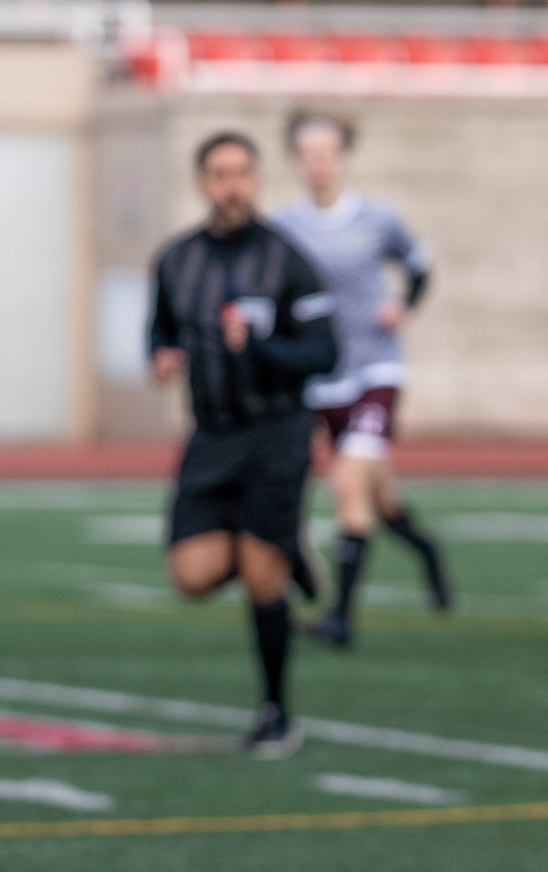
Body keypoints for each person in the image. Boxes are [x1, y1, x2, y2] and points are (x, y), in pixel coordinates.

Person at [148, 131, 340, 756]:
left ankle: (276, 712)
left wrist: (260, 347)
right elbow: (160, 329)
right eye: (218, 174)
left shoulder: (288, 260)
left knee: (262, 582)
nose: (231, 185)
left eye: (241, 173)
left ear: (256, 181)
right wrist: (162, 355)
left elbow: (324, 351)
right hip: (211, 437)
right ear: (202, 183)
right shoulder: (176, 260)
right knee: (191, 574)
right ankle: (284, 547)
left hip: (275, 433)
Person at [271, 110, 450, 650]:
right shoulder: (283, 229)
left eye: (326, 153)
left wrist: (404, 303)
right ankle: (427, 549)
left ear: (343, 158)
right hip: (320, 378)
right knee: (382, 502)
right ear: (295, 161)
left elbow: (420, 265)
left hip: (376, 369)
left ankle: (340, 618)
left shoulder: (378, 218)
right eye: (307, 154)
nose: (317, 164)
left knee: (348, 482)